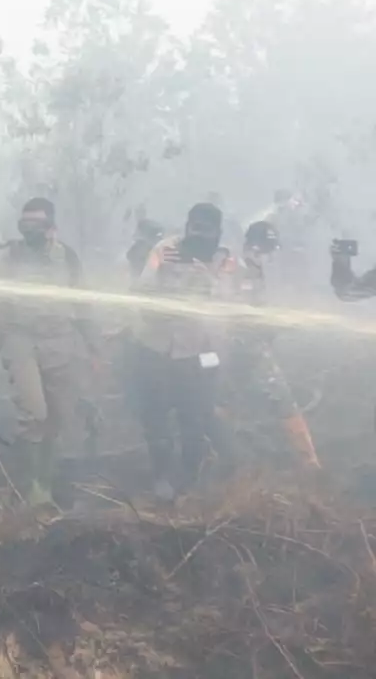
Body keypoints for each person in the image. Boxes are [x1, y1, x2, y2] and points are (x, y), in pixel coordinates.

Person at [0, 198, 101, 507]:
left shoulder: (68, 259)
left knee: (57, 416)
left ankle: (45, 481)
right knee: (34, 412)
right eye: (24, 223)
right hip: (20, 339)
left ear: (51, 228)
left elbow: (83, 304)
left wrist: (94, 348)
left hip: (59, 339)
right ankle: (32, 489)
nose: (29, 229)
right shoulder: (9, 259)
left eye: (36, 223)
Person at [131, 202, 235, 501]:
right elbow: (142, 292)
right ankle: (161, 477)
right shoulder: (165, 250)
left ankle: (190, 482)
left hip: (199, 352)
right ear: (187, 226)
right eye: (195, 228)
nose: (199, 235)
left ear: (218, 233)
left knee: (195, 419)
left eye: (207, 230)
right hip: (157, 347)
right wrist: (160, 274)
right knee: (156, 417)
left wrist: (208, 277)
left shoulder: (224, 260)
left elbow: (228, 303)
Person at [226, 221, 320, 469]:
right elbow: (231, 314)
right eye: (268, 250)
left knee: (231, 399)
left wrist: (274, 325)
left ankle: (232, 451)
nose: (270, 256)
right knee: (281, 398)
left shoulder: (253, 270)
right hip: (240, 350)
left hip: (248, 348)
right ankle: (308, 462)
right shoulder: (234, 269)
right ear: (254, 247)